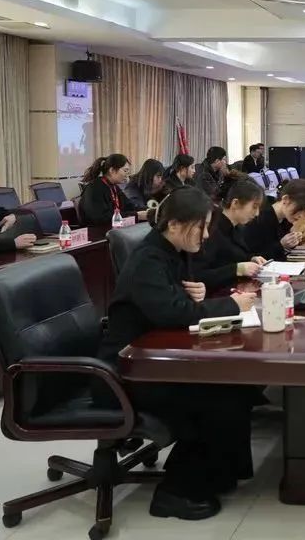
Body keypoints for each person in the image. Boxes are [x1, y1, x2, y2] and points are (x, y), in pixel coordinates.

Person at [95, 186, 257, 520]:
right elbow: (173, 312)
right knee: (216, 399)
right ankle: (176, 492)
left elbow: (176, 301)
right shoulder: (148, 260)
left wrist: (196, 293)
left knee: (237, 387)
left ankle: (221, 475)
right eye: (202, 227)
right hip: (124, 372)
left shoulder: (172, 251)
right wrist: (231, 305)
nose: (207, 235)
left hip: (153, 356)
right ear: (174, 225)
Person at [194, 179, 269, 291]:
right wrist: (237, 269)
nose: (257, 213)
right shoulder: (212, 230)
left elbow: (234, 257)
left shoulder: (237, 227)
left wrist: (251, 259)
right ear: (235, 203)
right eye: (254, 207)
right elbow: (200, 275)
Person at [243, 178, 305, 261]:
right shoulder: (259, 218)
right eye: (300, 209)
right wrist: (281, 245)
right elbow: (252, 257)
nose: (301, 216)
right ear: (285, 200)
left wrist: (292, 242)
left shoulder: (285, 220)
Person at [78, 154, 146, 227]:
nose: (127, 174)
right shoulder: (94, 188)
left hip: (114, 229)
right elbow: (101, 218)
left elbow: (129, 206)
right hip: (97, 231)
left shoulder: (114, 187)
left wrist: (149, 210)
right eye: (125, 170)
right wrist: (137, 215)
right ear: (112, 170)